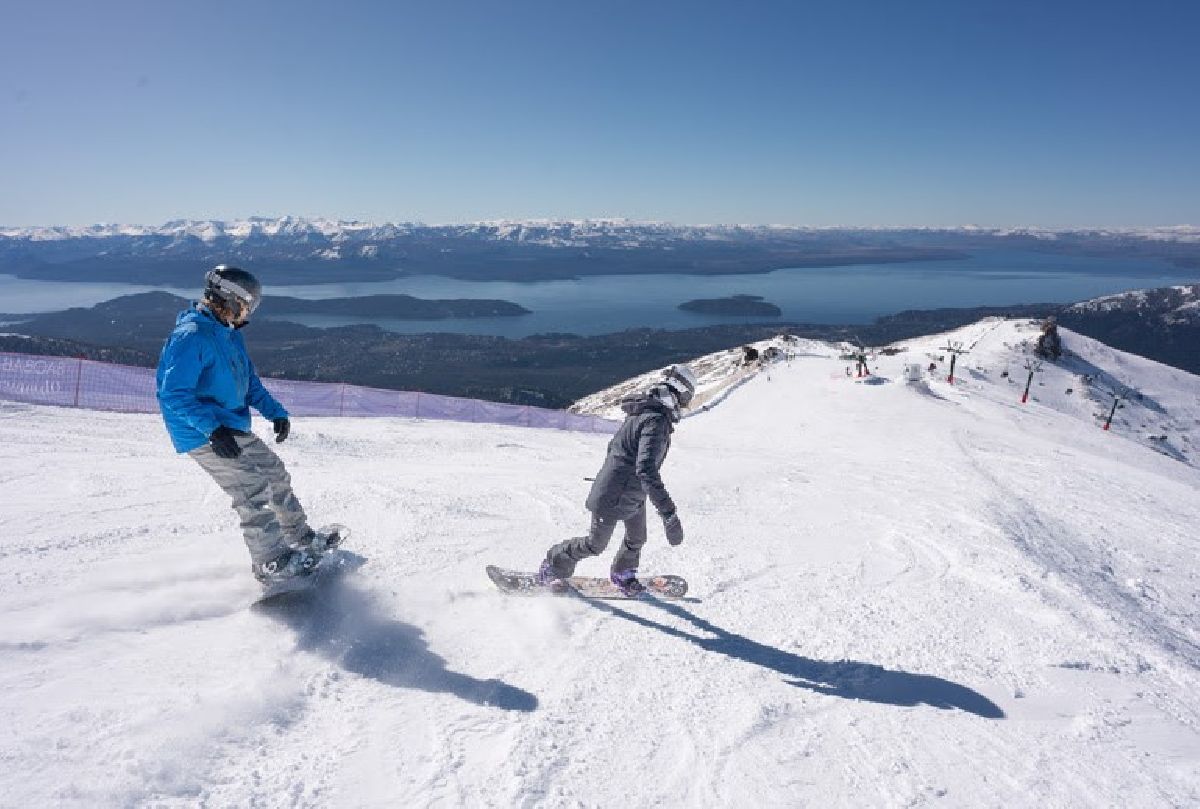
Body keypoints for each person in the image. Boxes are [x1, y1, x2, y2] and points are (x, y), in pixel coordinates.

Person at [156, 265, 336, 587]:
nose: (249, 313)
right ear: (229, 299)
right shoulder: (191, 337)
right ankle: (271, 562)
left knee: (274, 474)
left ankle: (300, 538)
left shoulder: (229, 334)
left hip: (228, 424)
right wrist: (212, 429)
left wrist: (276, 413)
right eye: (248, 305)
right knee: (251, 486)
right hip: (201, 431)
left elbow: (249, 383)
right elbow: (173, 394)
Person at [539, 364, 698, 596]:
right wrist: (669, 514)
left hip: (631, 491)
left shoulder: (646, 413)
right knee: (595, 544)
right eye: (687, 399)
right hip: (614, 493)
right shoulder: (654, 421)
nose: (685, 405)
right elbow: (646, 469)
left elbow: (616, 448)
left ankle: (622, 573)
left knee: (637, 537)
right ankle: (553, 564)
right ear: (680, 393)